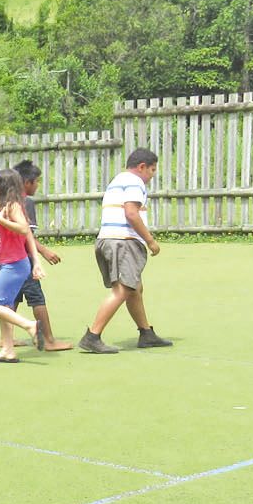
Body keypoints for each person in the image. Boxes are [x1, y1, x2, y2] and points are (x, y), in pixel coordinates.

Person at [79, 147, 172, 354]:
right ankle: (92, 336)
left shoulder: (117, 180)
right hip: (122, 241)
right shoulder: (135, 182)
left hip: (107, 239)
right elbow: (131, 213)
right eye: (152, 170)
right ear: (142, 167)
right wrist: (150, 241)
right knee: (122, 290)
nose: (152, 175)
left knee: (134, 288)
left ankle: (146, 333)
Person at [8, 160, 73, 352]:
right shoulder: (24, 202)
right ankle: (49, 340)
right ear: (27, 182)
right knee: (36, 297)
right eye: (36, 181)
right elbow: (25, 234)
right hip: (22, 258)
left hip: (6, 257)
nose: (37, 185)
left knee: (13, 297)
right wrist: (43, 251)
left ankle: (6, 338)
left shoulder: (6, 200)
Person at [0, 168, 46, 363]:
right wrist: (36, 261)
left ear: (2, 186)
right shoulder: (9, 205)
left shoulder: (12, 206)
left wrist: (1, 220)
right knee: (5, 305)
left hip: (15, 265)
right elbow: (27, 236)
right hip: (14, 263)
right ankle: (8, 351)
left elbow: (23, 229)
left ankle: (30, 326)